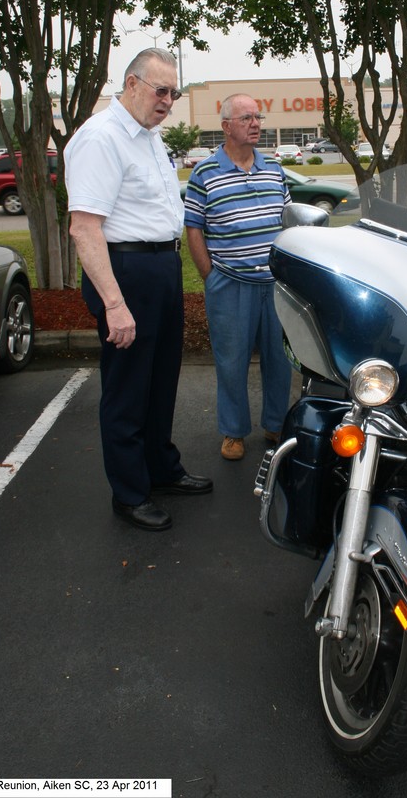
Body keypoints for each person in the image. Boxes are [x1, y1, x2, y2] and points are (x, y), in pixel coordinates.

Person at [65, 47, 213, 531]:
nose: (168, 100)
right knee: (128, 388)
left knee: (160, 380)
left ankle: (159, 469)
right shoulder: (101, 139)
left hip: (160, 270)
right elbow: (85, 229)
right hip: (125, 274)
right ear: (131, 85)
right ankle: (129, 493)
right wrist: (114, 304)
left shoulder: (147, 137)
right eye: (160, 90)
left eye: (174, 92)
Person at [183, 93, 293, 461]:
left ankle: (276, 424)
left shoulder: (274, 169)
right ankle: (233, 432)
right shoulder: (205, 173)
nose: (255, 124)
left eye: (257, 117)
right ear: (226, 126)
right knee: (231, 362)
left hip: (274, 286)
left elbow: (289, 220)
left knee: (280, 360)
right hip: (229, 284)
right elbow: (194, 228)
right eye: (246, 118)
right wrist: (209, 276)